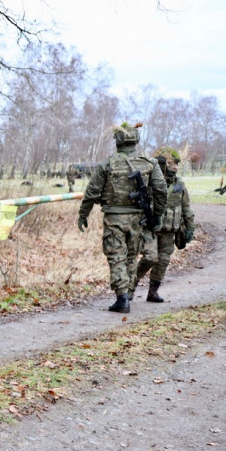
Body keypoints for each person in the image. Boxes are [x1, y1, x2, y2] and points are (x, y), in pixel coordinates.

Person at [77, 122, 167, 313]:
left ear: (117, 141)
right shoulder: (150, 163)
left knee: (117, 256)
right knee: (132, 256)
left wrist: (83, 214)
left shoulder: (107, 163)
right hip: (137, 219)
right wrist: (157, 216)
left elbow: (92, 192)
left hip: (114, 218)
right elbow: (161, 191)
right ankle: (127, 293)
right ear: (136, 140)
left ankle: (122, 297)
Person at [131, 149, 195, 302]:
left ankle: (153, 292)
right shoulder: (151, 181)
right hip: (151, 228)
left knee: (163, 261)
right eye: (172, 164)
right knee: (150, 258)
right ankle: (130, 287)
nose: (175, 167)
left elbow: (186, 207)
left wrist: (190, 227)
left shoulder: (180, 184)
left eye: (177, 164)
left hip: (170, 230)